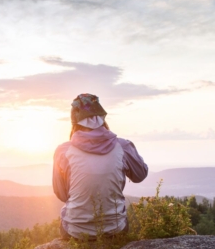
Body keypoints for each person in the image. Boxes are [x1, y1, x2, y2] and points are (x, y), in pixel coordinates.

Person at [53, 93, 148, 240]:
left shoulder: (63, 151)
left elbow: (62, 194)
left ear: (74, 122)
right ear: (103, 118)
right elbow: (140, 175)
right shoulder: (122, 146)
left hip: (75, 232)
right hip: (115, 229)